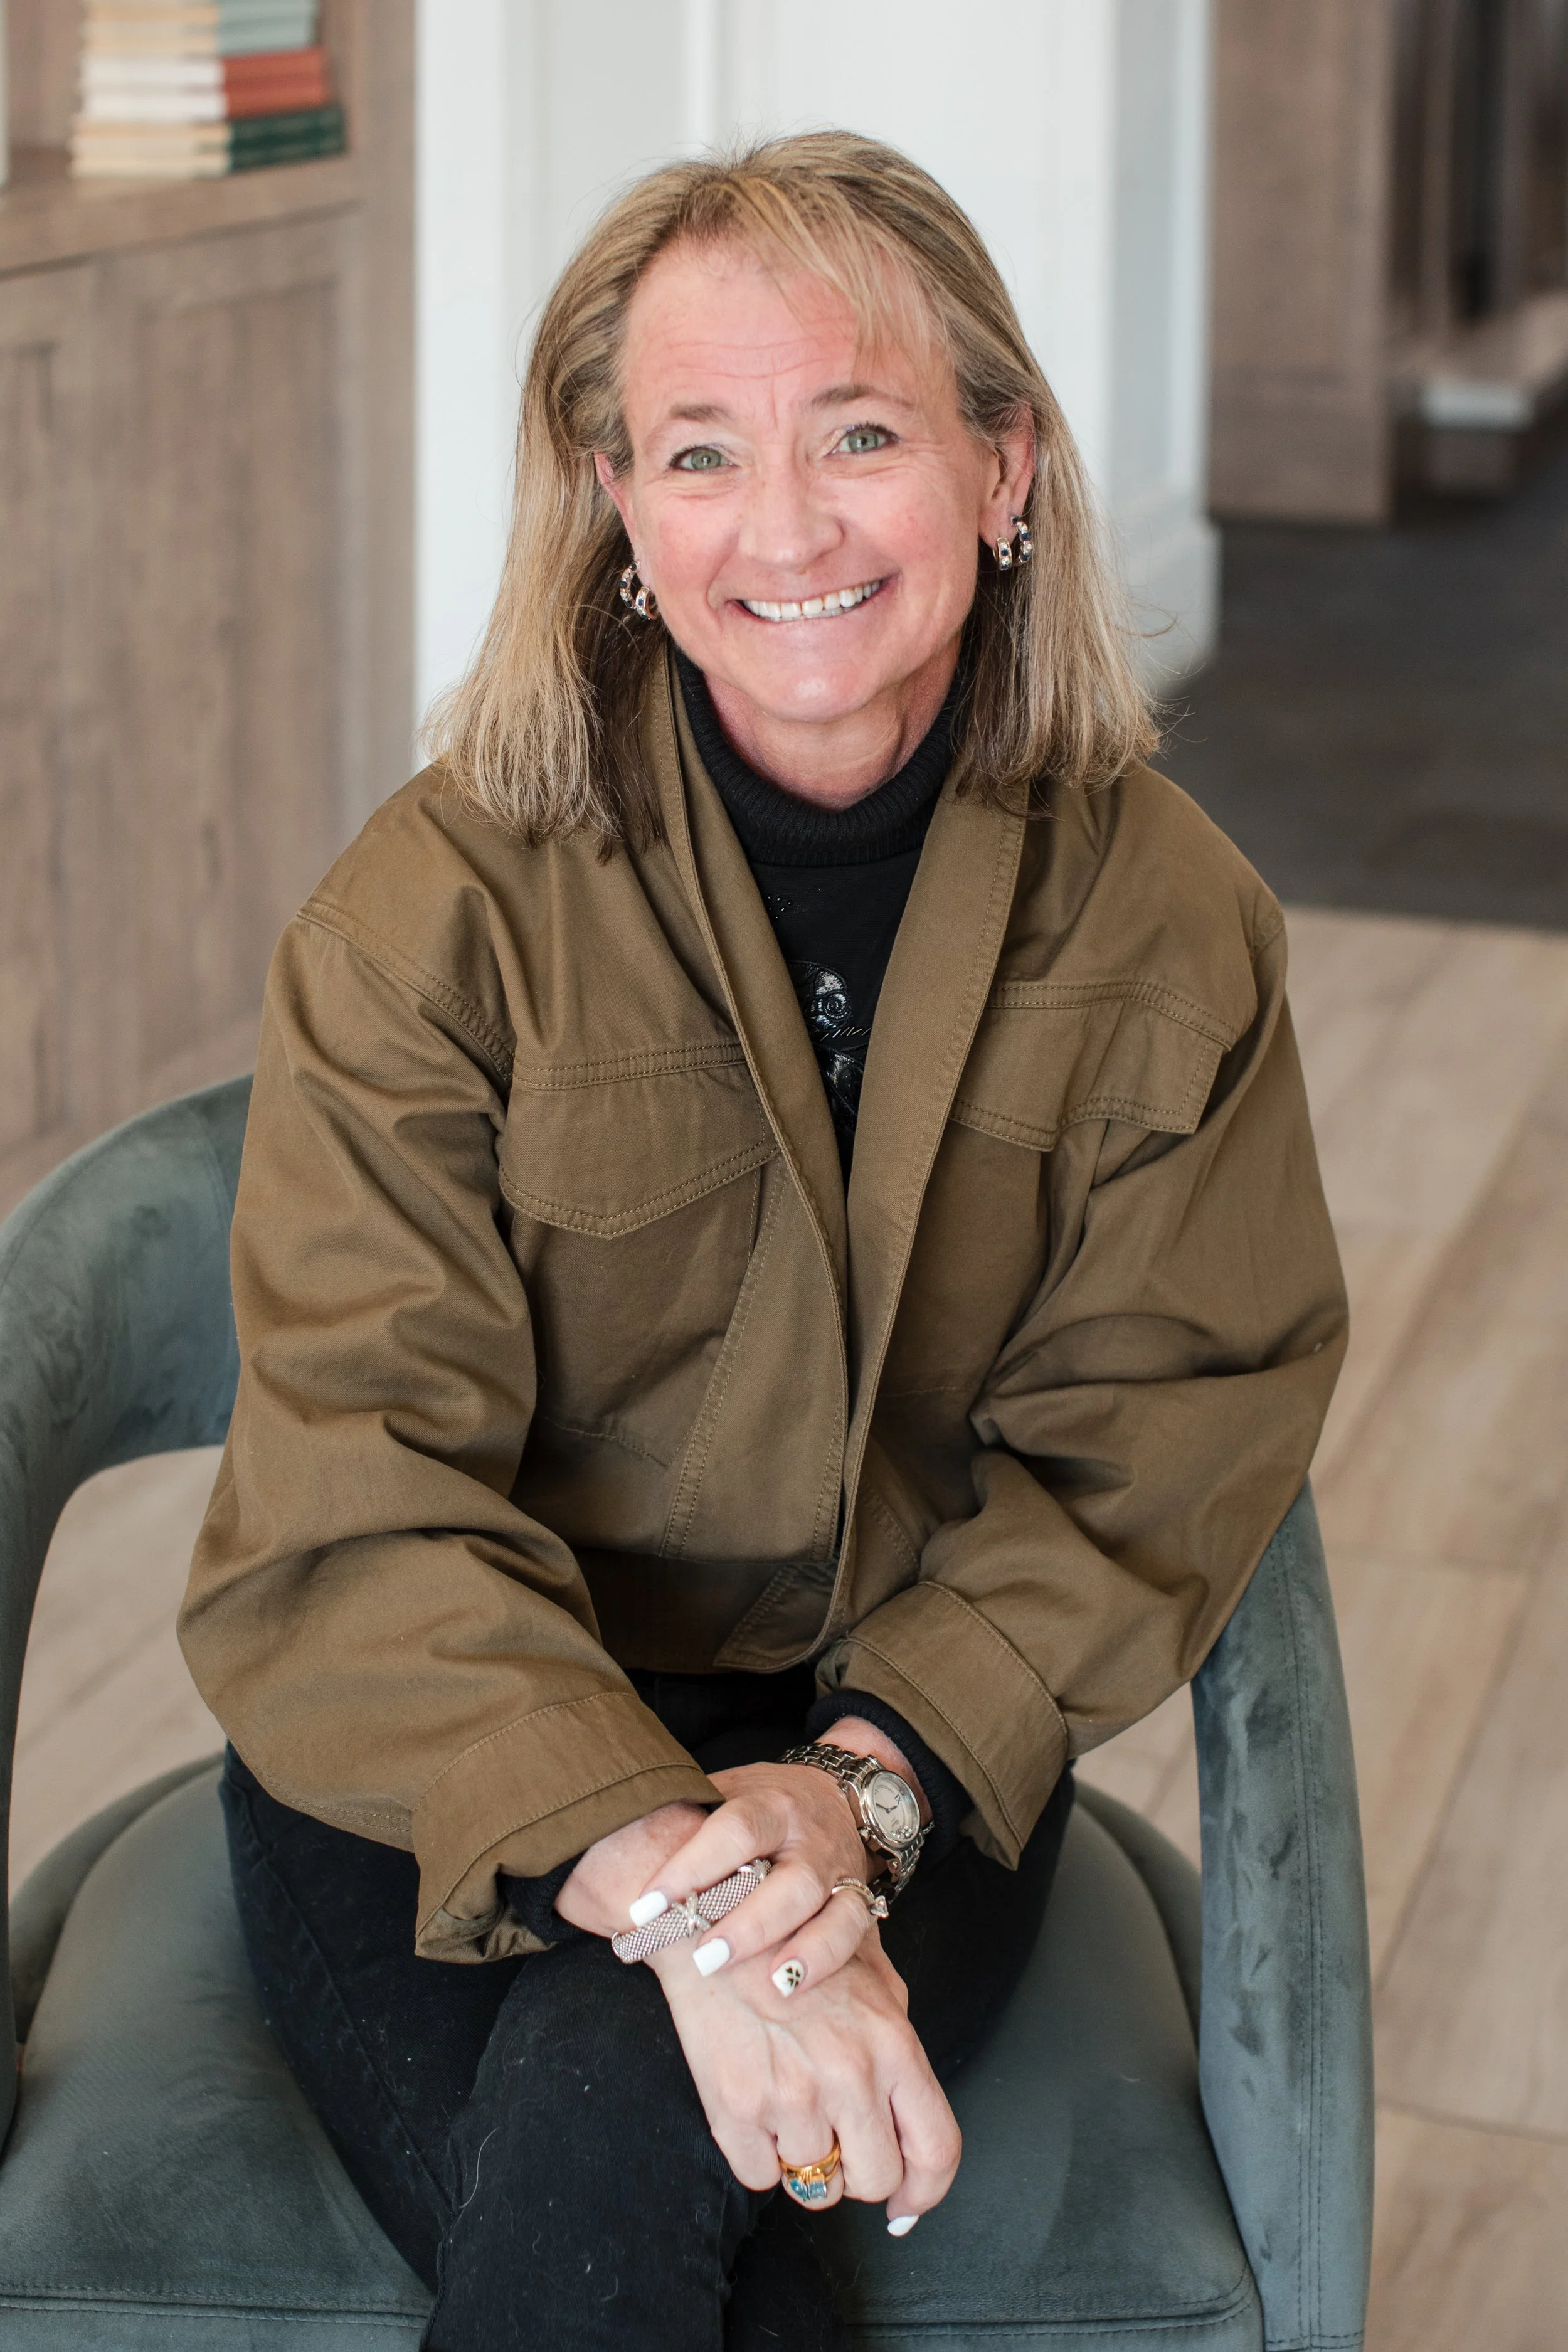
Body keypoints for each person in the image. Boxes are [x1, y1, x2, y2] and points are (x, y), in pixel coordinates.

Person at [178, 131, 1347, 2352]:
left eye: (865, 435)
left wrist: (845, 1795)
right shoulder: (429, 911)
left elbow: (1159, 1443)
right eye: (700, 451)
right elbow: (355, 1493)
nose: (786, 527)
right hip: (438, 1750)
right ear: (617, 504)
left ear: (1004, 470)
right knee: (658, 2179)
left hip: (905, 1739)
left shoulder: (1177, 923)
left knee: (620, 2163)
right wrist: (701, 1885)